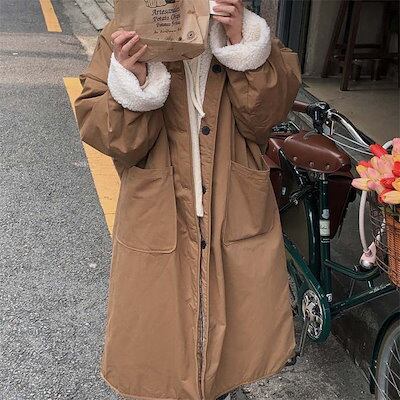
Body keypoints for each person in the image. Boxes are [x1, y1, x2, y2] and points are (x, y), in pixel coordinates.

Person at [75, 1, 302, 399]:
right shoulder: (125, 32)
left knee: (230, 349)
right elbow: (113, 138)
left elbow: (266, 118)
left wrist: (242, 44)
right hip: (159, 210)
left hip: (233, 207)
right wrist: (133, 80)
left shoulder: (247, 29)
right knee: (161, 346)